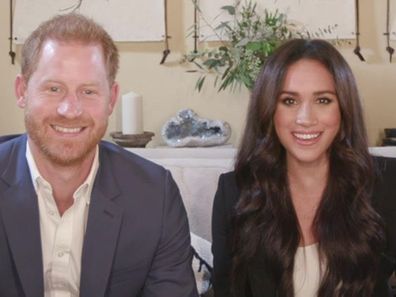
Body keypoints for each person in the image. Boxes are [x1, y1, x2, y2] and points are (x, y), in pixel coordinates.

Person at [0, 13, 198, 297]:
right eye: (54, 89)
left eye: (89, 91)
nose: (70, 109)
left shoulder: (155, 195)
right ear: (22, 91)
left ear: (111, 99)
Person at [212, 38, 396, 297]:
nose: (305, 119)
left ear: (344, 108)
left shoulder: (388, 183)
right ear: (268, 109)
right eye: (289, 101)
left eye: (323, 100)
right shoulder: (234, 192)